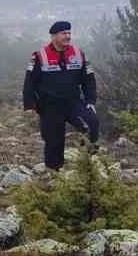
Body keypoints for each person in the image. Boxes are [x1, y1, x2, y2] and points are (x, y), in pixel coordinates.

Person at [22, 21, 100, 170]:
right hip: (50, 105)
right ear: (53, 36)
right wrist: (29, 105)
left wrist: (91, 100)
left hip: (74, 102)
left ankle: (88, 165)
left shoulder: (79, 54)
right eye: (64, 33)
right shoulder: (39, 56)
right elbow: (30, 82)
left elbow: (89, 79)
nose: (68, 36)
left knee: (91, 123)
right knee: (54, 141)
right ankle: (54, 173)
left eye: (69, 33)